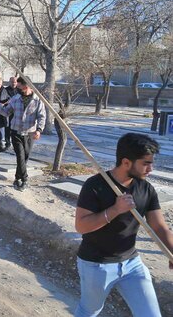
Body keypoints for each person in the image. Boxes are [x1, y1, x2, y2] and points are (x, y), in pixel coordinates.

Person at [74, 133, 173, 317]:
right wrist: (115, 210)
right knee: (90, 311)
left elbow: (160, 227)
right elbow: (81, 226)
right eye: (145, 163)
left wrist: (172, 251)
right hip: (96, 264)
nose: (150, 169)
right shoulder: (95, 185)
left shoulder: (146, 189)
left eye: (151, 163)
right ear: (126, 162)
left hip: (132, 264)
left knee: (150, 315)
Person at [0, 76, 46, 190]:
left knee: (25, 157)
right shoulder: (15, 99)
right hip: (16, 131)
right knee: (20, 155)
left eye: (21, 87)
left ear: (27, 87)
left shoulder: (37, 100)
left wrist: (39, 130)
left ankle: (17, 178)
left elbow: (42, 116)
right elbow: (6, 112)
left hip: (30, 133)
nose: (19, 90)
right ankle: (25, 179)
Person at [4, 76, 19, 149]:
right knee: (8, 127)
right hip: (8, 111)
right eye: (12, 82)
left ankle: (15, 142)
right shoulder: (5, 90)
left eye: (15, 82)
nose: (14, 83)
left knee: (15, 128)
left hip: (17, 112)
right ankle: (7, 142)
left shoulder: (19, 90)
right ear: (9, 82)